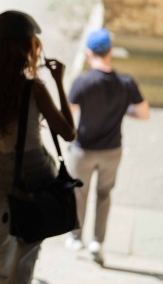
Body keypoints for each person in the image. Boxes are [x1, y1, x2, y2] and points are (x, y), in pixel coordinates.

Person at [0, 10, 76, 284]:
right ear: (27, 48)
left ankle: (2, 281)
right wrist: (60, 82)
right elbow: (69, 132)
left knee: (2, 233)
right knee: (29, 240)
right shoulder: (34, 88)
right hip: (33, 170)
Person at [64, 28, 150, 265]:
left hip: (83, 150)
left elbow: (67, 113)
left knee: (79, 192)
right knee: (104, 194)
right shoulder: (126, 82)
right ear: (111, 51)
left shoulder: (82, 82)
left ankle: (76, 236)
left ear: (89, 53)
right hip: (112, 150)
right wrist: (124, 110)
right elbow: (143, 113)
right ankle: (97, 243)